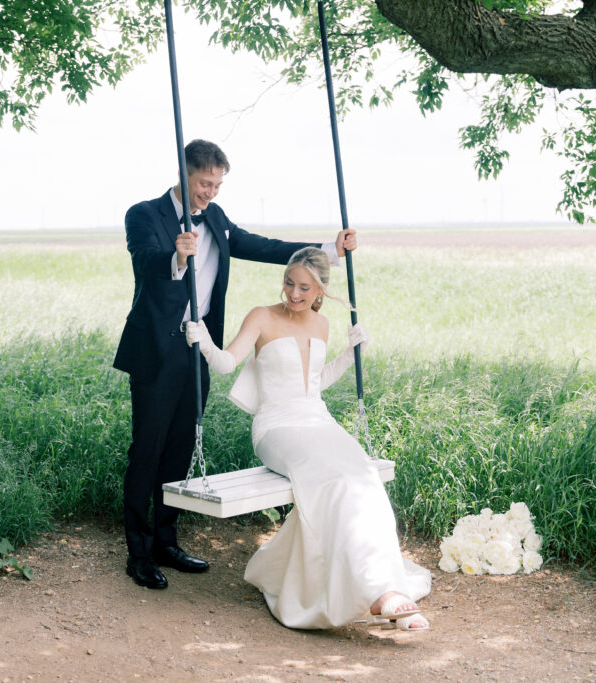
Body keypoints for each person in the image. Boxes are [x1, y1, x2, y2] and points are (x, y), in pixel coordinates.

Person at [113, 140, 355, 590]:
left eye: (218, 184)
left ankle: (167, 541)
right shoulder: (143, 214)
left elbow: (262, 246)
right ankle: (139, 553)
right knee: (148, 449)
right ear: (185, 174)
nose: (211, 192)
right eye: (205, 183)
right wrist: (177, 257)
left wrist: (328, 249)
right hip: (157, 351)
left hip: (197, 349)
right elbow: (146, 261)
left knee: (180, 449)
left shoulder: (218, 220)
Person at [184, 247, 432, 630]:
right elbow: (227, 362)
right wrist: (203, 342)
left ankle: (386, 585)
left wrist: (351, 355)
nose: (294, 294)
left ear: (320, 291)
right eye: (289, 283)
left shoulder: (322, 325)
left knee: (363, 476)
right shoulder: (262, 317)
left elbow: (314, 386)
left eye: (304, 288)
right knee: (331, 479)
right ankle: (378, 594)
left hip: (318, 422)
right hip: (278, 428)